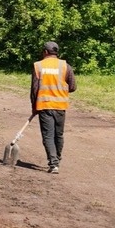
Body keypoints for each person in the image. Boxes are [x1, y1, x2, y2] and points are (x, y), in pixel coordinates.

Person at [30, 41, 77, 174]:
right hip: (60, 105)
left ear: (45, 52)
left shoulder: (38, 66)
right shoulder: (65, 66)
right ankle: (57, 159)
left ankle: (53, 163)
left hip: (44, 105)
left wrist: (34, 106)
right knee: (59, 135)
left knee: (48, 136)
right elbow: (73, 87)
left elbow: (34, 89)